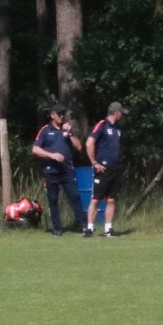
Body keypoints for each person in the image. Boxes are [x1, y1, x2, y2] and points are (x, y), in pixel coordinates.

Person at [30, 104, 86, 238]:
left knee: (75, 197)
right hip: (51, 172)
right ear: (52, 115)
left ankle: (83, 225)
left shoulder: (67, 129)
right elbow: (35, 149)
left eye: (63, 114)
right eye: (59, 114)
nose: (62, 116)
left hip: (67, 171)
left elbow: (79, 147)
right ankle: (57, 228)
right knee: (53, 200)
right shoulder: (45, 130)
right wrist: (52, 155)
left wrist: (71, 133)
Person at [84, 102, 126, 238]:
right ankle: (89, 228)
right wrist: (94, 162)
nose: (123, 115)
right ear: (116, 113)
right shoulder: (102, 125)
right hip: (102, 169)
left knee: (111, 200)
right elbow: (89, 142)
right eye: (121, 113)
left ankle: (108, 228)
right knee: (96, 199)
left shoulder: (118, 129)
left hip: (115, 169)